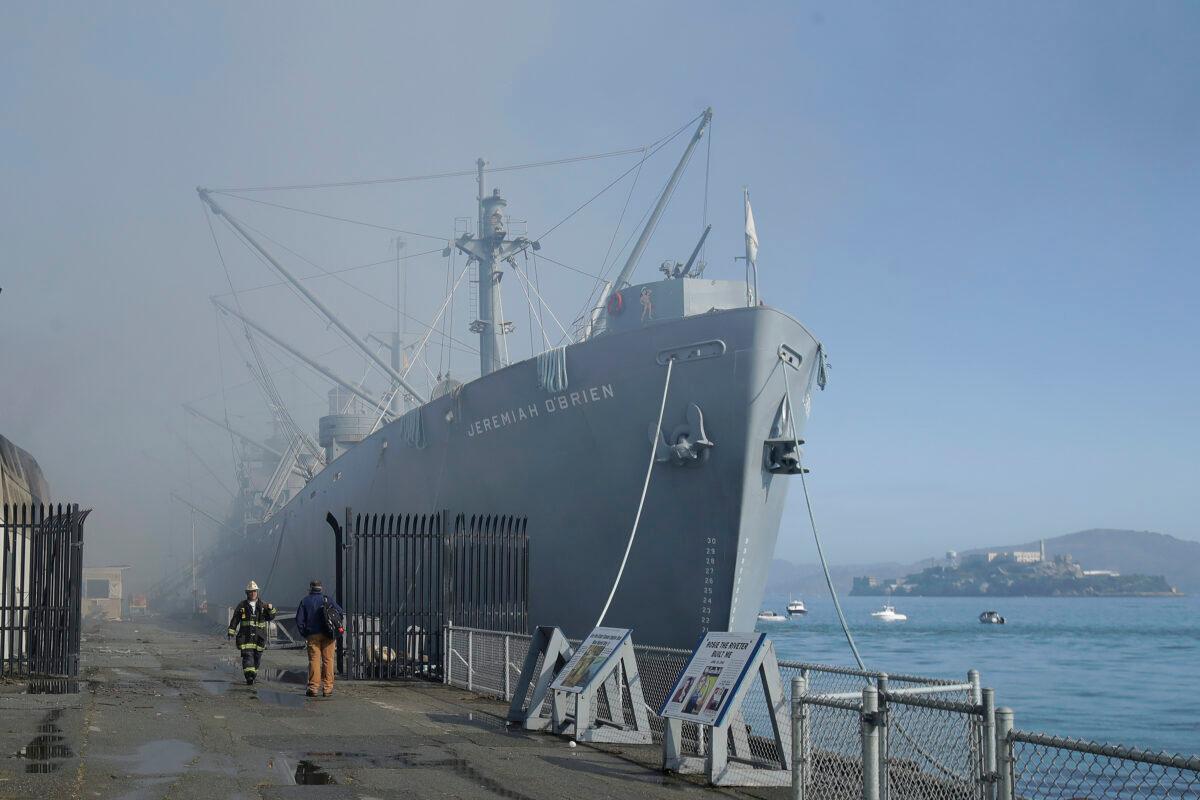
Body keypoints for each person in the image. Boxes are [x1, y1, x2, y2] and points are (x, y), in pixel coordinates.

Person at [296, 579, 343, 698]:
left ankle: (313, 688)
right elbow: (340, 612)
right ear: (321, 588)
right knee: (328, 660)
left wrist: (305, 633)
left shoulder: (305, 601)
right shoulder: (327, 599)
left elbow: (299, 620)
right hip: (329, 634)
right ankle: (327, 688)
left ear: (310, 588)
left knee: (314, 660)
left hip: (313, 635)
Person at [226, 580, 276, 685]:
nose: (253, 593)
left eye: (254, 591)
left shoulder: (263, 606)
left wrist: (271, 609)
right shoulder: (242, 606)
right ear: (247, 593)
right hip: (245, 637)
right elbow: (235, 619)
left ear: (257, 592)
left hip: (259, 638)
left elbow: (270, 617)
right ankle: (249, 677)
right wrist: (231, 631)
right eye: (250, 592)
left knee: (257, 658)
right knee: (248, 657)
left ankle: (253, 675)